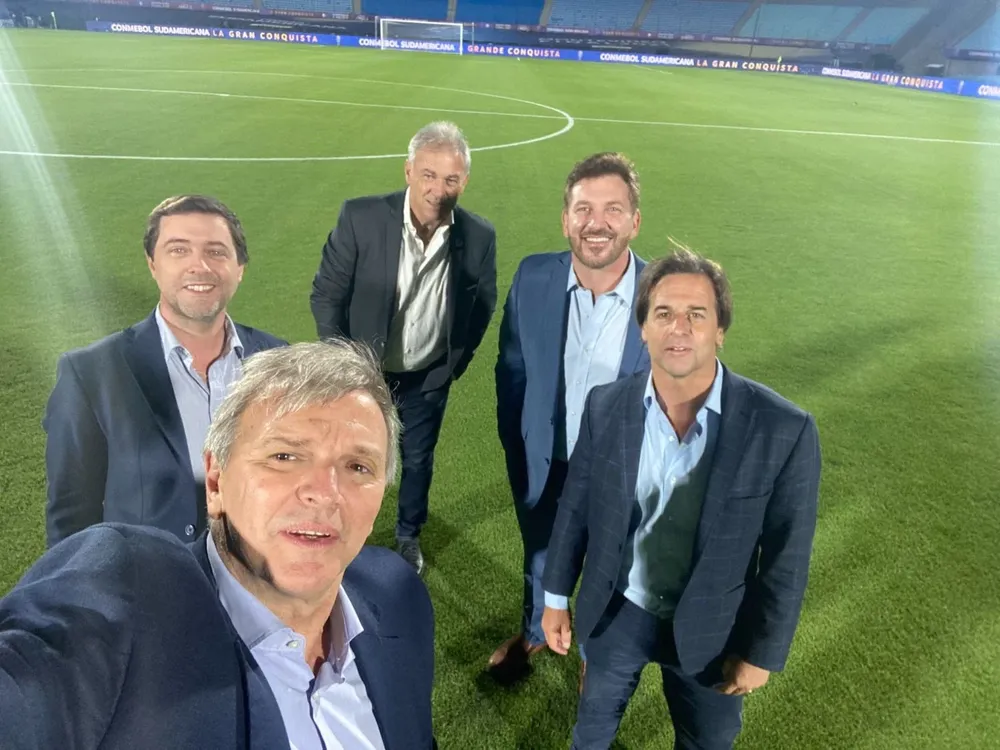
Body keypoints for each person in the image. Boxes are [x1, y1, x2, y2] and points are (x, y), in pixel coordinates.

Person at [1, 341, 437, 750]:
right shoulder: (132, 593)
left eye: (358, 465)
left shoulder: (397, 594)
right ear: (216, 482)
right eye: (284, 456)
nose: (325, 492)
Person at [542, 248, 822, 749]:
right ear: (643, 328)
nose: (680, 328)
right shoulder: (606, 406)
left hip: (714, 629)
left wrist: (762, 651)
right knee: (592, 729)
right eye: (664, 314)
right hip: (616, 612)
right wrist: (555, 595)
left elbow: (787, 556)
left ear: (720, 330)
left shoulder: (784, 429)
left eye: (698, 315)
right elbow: (576, 505)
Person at [42, 195, 286, 547]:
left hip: (259, 582)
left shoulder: (278, 359)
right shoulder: (90, 374)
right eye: (178, 250)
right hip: (147, 586)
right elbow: (70, 514)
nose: (199, 265)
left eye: (216, 251)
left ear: (240, 267)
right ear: (153, 264)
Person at [309, 121, 498, 573]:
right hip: (362, 373)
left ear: (464, 181)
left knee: (417, 459)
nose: (438, 189)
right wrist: (343, 365)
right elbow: (327, 294)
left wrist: (453, 364)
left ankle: (408, 536)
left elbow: (483, 303)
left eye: (451, 179)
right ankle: (339, 529)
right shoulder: (362, 218)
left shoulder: (478, 236)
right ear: (409, 171)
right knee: (349, 455)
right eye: (429, 175)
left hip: (426, 375)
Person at [490, 153, 650, 681]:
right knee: (539, 550)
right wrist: (520, 445)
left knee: (613, 569)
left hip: (620, 474)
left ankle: (593, 657)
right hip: (546, 455)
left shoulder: (661, 296)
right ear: (565, 220)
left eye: (612, 209)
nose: (595, 223)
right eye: (583, 209)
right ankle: (537, 630)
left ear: (634, 221)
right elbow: (511, 370)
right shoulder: (534, 275)